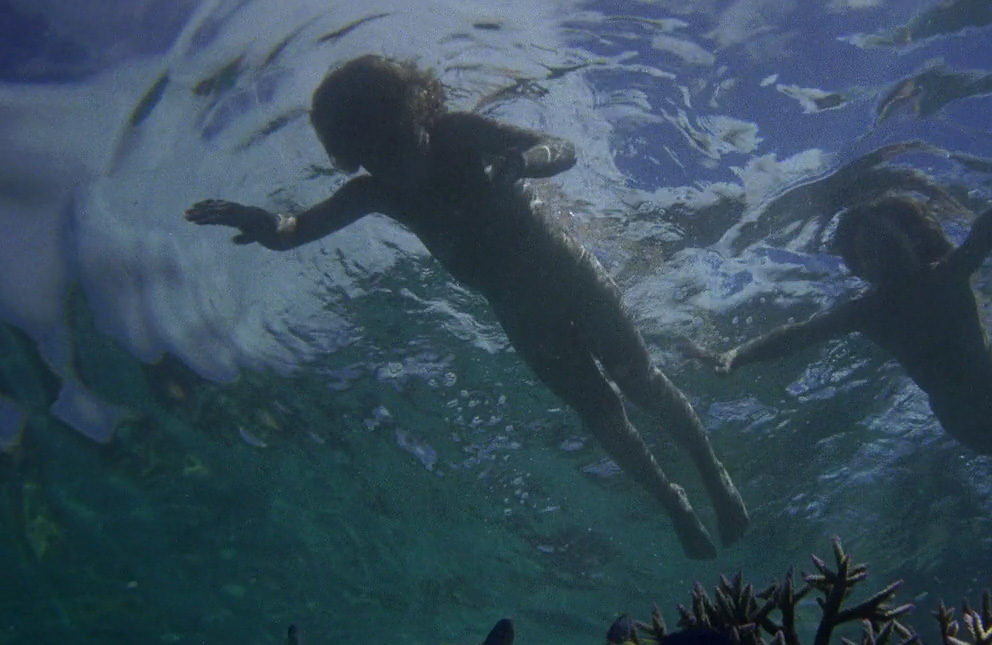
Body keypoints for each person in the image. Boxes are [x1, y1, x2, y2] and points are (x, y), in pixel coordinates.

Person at [183, 54, 748, 559]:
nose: (391, 162)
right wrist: (263, 224)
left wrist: (524, 163)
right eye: (372, 156)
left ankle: (712, 470)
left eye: (396, 140)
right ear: (353, 159)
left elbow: (560, 149)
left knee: (641, 380)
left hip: (572, 275)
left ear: (419, 112)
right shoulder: (374, 192)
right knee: (602, 414)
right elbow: (297, 227)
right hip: (521, 316)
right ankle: (672, 502)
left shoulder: (457, 134)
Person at [687, 138, 992, 531]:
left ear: (911, 242)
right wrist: (736, 355)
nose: (883, 259)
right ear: (859, 267)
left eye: (888, 245)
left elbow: (985, 232)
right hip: (962, 421)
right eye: (869, 255)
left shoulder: (946, 274)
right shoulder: (868, 312)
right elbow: (798, 335)